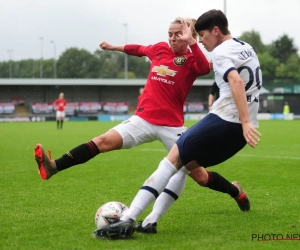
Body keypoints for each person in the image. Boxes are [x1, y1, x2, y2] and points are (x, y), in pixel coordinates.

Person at [34, 17, 249, 237]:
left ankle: (235, 191)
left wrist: (192, 43)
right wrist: (113, 47)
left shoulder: (193, 58)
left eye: (178, 34)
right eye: (170, 34)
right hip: (143, 120)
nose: (173, 38)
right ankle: (54, 167)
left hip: (172, 127)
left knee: (200, 176)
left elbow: (204, 68)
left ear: (188, 35)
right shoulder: (159, 49)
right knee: (102, 142)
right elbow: (137, 49)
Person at [96, 9, 262, 238]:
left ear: (215, 31)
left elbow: (234, 80)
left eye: (202, 36)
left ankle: (127, 220)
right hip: (240, 133)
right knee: (185, 166)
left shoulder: (221, 52)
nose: (202, 42)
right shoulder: (246, 48)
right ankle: (151, 221)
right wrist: (247, 122)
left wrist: (243, 121)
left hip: (224, 120)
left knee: (172, 160)